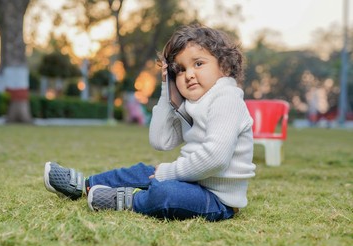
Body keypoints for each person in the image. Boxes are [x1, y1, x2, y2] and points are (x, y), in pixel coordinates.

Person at [43, 24, 256, 222]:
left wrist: (168, 173)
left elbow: (215, 159)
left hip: (218, 199)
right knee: (143, 170)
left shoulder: (226, 99)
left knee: (167, 194)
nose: (189, 75)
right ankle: (85, 185)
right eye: (180, 70)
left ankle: (129, 200)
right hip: (191, 181)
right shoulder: (193, 104)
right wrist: (167, 90)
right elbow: (160, 141)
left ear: (225, 67)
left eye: (198, 64)